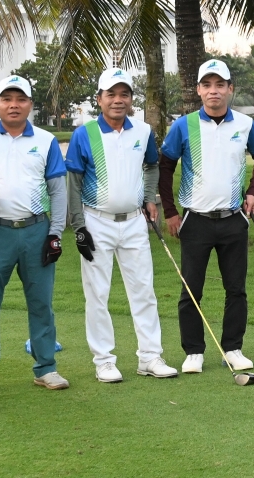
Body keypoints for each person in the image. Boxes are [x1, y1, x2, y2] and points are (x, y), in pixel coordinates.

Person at [0, 75, 70, 397]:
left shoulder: (46, 141)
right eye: (7, 99)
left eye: (20, 99)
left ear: (30, 105)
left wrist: (54, 233)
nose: (14, 105)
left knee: (41, 304)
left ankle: (46, 367)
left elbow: (57, 192)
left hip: (36, 230)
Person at [65, 67, 178, 382]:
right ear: (99, 98)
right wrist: (79, 226)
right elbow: (73, 183)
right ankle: (104, 360)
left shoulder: (142, 132)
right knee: (97, 293)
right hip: (95, 222)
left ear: (131, 99)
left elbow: (151, 166)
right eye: (111, 94)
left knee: (144, 290)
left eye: (124, 94)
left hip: (134, 224)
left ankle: (150, 357)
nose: (118, 100)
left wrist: (150, 197)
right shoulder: (83, 134)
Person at [159, 58, 254, 374]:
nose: (213, 91)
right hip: (195, 220)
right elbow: (165, 166)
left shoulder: (245, 125)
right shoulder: (183, 126)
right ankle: (193, 351)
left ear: (230, 89)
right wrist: (169, 211)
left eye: (220, 85)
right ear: (198, 90)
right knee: (191, 288)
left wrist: (252, 193)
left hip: (234, 218)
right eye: (207, 85)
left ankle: (233, 348)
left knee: (236, 288)